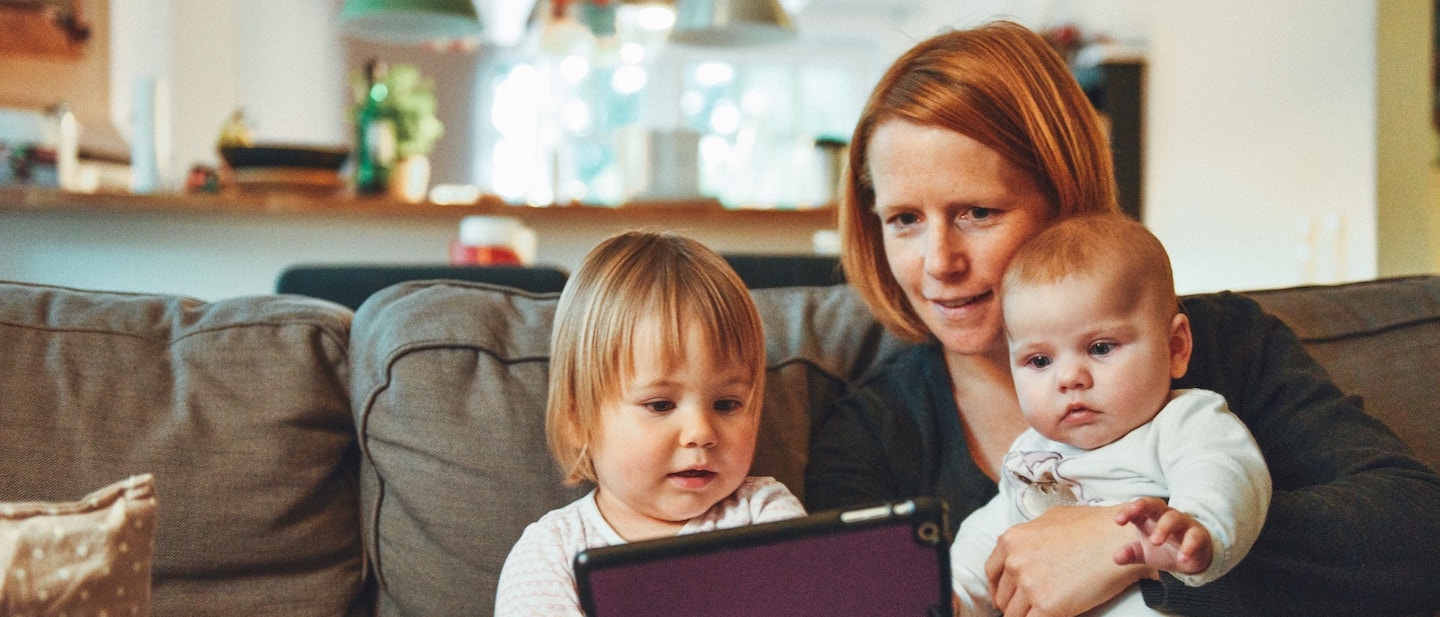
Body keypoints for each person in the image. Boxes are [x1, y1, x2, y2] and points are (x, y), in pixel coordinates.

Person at [804, 20, 1440, 617]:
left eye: (977, 212)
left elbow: (1417, 532)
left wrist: (1130, 550)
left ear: (1065, 199)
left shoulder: (1228, 347)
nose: (939, 261)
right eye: (904, 220)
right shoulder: (871, 434)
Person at [950, 214, 1271, 616]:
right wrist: (956, 593)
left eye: (1100, 348)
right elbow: (991, 535)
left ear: (1175, 348)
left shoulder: (1183, 422)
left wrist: (1197, 529)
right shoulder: (1031, 454)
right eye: (1039, 360)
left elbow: (1224, 471)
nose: (1068, 378)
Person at [494, 230, 806, 616]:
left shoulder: (765, 515)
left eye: (727, 404)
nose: (701, 433)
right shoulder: (551, 553)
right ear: (577, 417)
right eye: (660, 405)